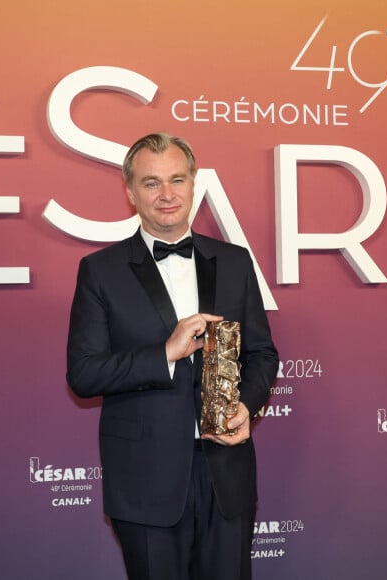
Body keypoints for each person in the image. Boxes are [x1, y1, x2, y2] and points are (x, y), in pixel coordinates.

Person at [66, 132, 279, 580]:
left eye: (177, 179)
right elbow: (84, 373)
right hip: (146, 480)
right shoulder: (100, 271)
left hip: (227, 473)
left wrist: (246, 406)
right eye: (151, 183)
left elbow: (262, 353)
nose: (167, 194)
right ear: (130, 192)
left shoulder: (235, 261)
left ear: (193, 183)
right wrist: (164, 353)